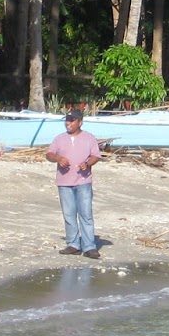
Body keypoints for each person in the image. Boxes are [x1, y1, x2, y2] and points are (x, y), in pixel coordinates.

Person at [46, 107, 103, 259]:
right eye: (67, 120)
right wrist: (58, 159)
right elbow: (49, 154)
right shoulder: (59, 138)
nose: (68, 123)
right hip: (64, 182)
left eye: (72, 120)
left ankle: (89, 246)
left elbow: (96, 156)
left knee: (86, 214)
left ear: (80, 122)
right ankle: (73, 244)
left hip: (83, 182)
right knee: (69, 214)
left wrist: (88, 163)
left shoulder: (89, 138)